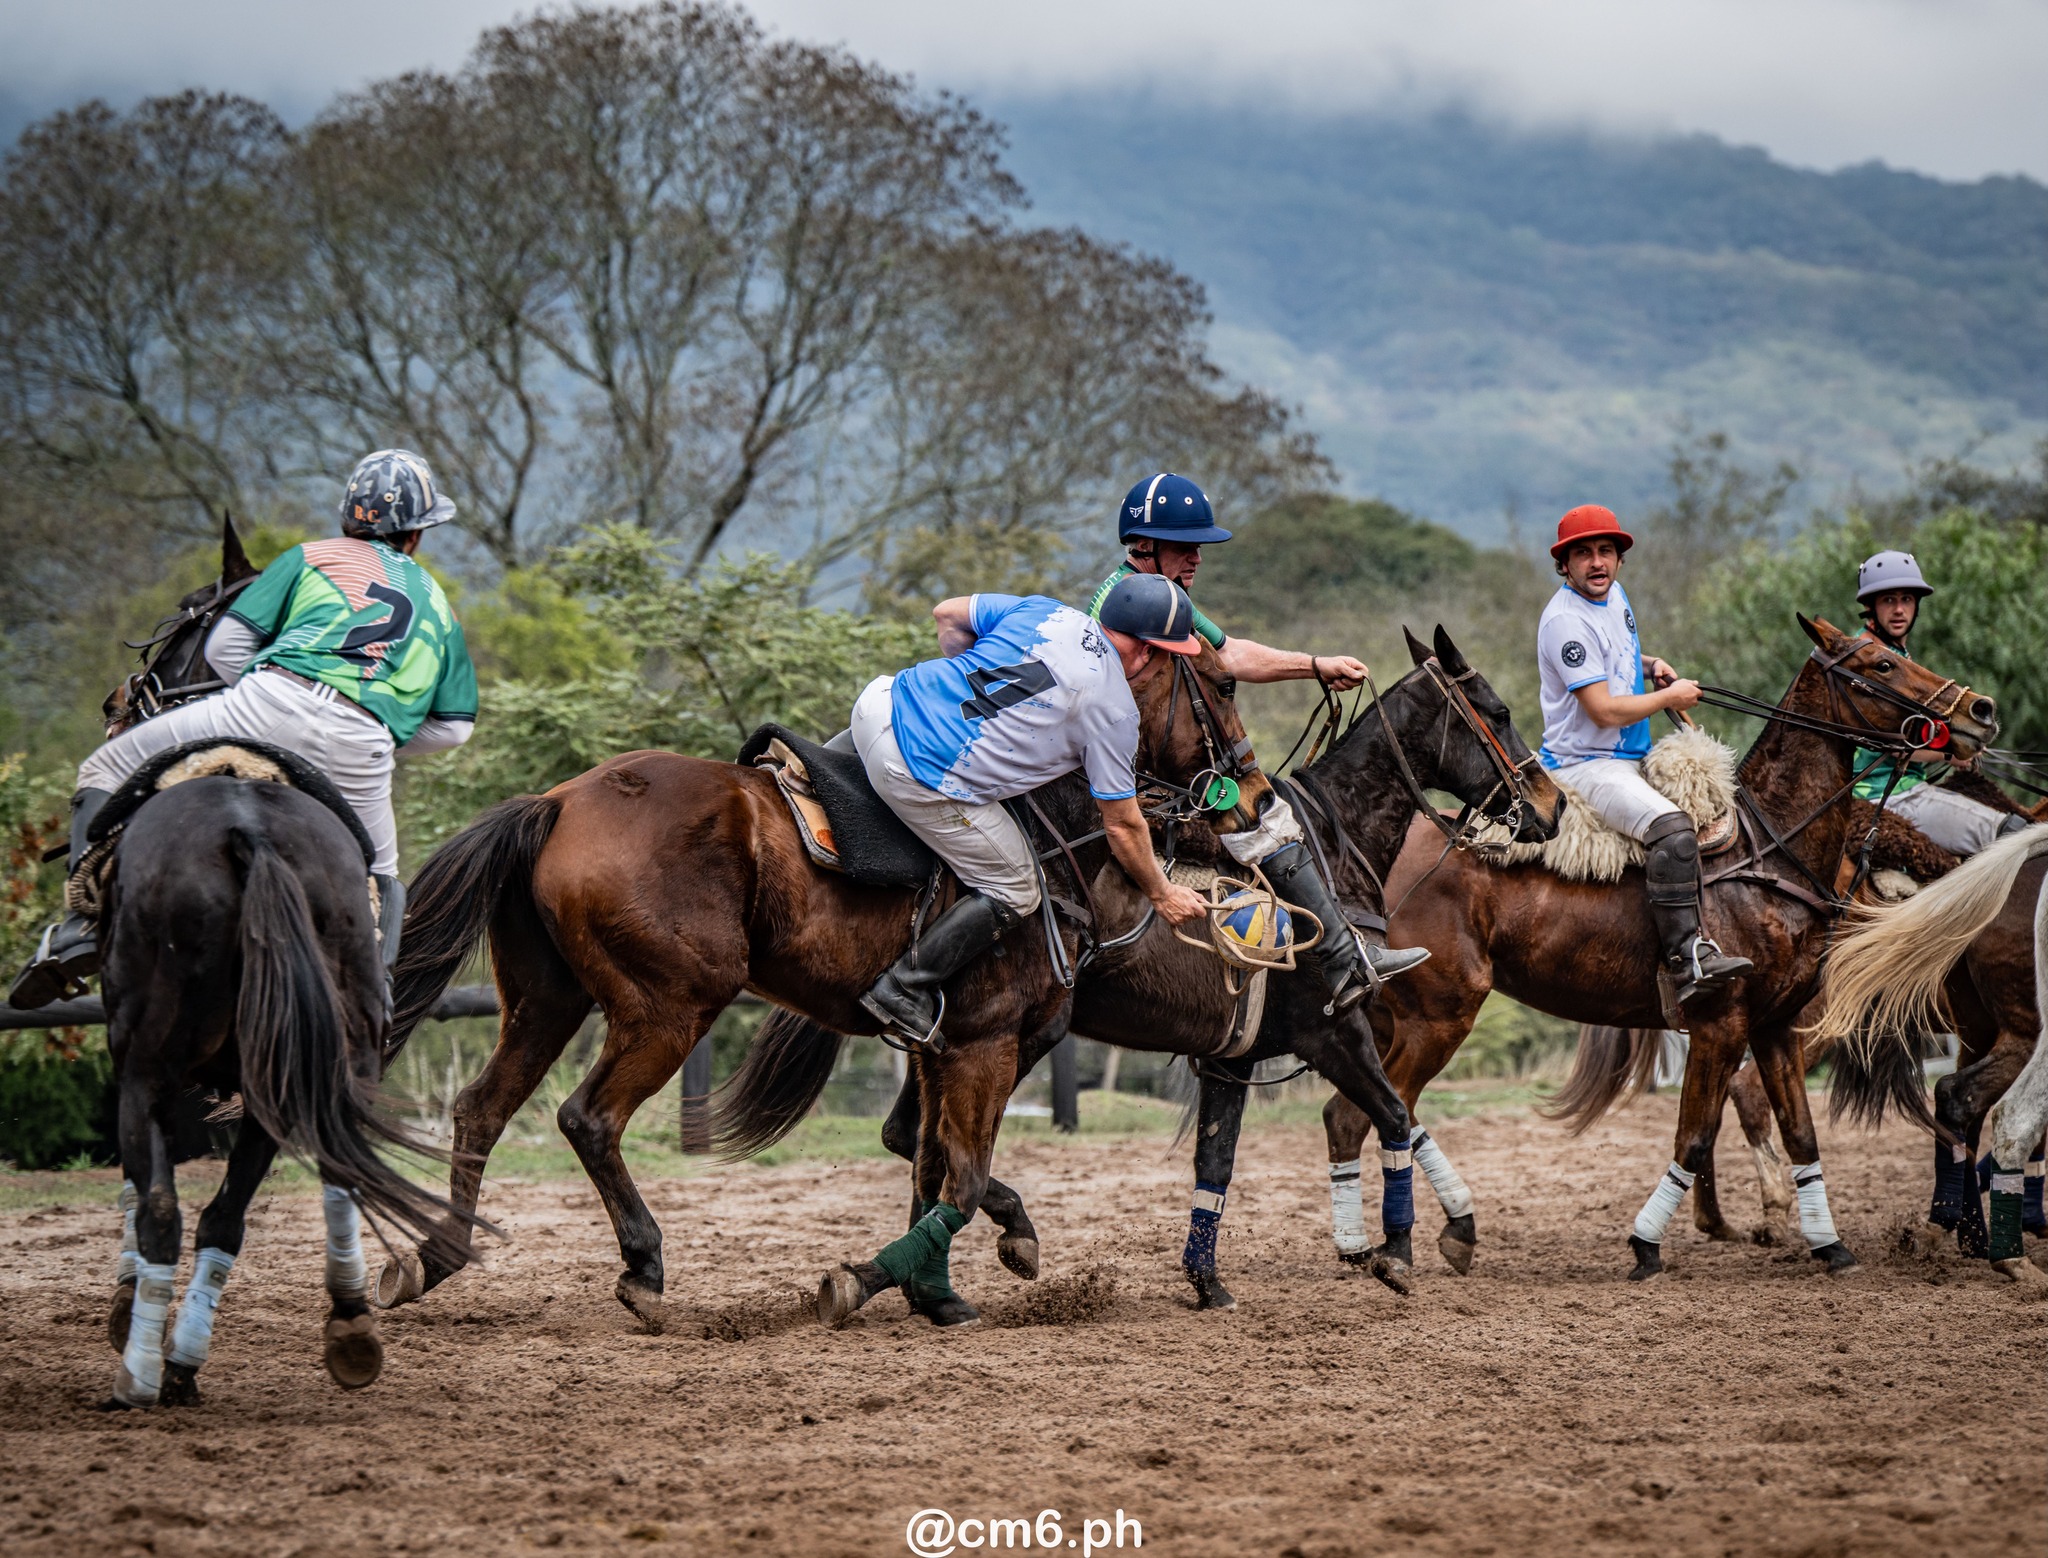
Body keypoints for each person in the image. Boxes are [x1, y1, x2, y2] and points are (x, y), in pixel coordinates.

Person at [9, 449, 478, 1010]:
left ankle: (80, 928)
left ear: (348, 519)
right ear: (417, 536)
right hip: (363, 745)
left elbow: (225, 646)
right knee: (380, 873)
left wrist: (265, 700)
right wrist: (378, 730)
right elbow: (453, 729)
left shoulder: (309, 557)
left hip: (267, 703)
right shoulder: (438, 605)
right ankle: (375, 990)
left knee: (103, 766)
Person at [1086, 472, 1427, 1009]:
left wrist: (1313, 665)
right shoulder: (1130, 602)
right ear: (1144, 546)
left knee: (1261, 809)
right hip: (1122, 773)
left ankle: (1337, 958)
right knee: (1260, 813)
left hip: (1150, 770)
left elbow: (1230, 655)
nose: (1197, 557)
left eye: (1199, 547)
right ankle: (1331, 964)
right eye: (1184, 547)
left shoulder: (1163, 597)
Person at [854, 573, 1210, 1045]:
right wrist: (1163, 894)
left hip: (878, 705)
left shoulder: (1048, 612)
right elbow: (1122, 825)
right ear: (1145, 652)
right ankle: (904, 986)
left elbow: (947, 615)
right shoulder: (1114, 710)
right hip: (910, 769)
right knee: (1017, 886)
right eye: (1166, 656)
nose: (1162, 667)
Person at [1536, 503, 1750, 1014]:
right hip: (1585, 763)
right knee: (1674, 829)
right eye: (1582, 553)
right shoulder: (1564, 621)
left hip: (1630, 753)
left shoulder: (1613, 597)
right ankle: (1686, 961)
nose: (1596, 562)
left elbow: (1615, 655)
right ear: (1564, 565)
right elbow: (1604, 709)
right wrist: (1670, 700)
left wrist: (1651, 665)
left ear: (1619, 559)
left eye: (1605, 551)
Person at [1850, 549, 2030, 856]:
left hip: (1901, 789)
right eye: (1888, 600)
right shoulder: (1871, 659)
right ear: (1870, 606)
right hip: (1889, 795)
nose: (1899, 609)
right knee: (2015, 838)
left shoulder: (1895, 655)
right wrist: (1948, 755)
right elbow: (1894, 742)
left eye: (1906, 599)